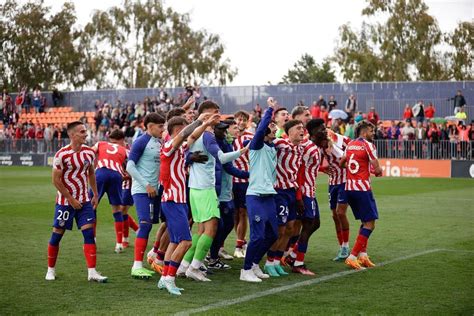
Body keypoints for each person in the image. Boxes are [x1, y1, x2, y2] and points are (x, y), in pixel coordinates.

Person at [177, 100, 245, 281]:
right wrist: (244, 150)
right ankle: (194, 267)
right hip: (205, 189)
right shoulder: (207, 136)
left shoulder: (194, 135)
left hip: (194, 188)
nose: (218, 116)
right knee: (211, 228)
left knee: (200, 231)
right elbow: (222, 158)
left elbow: (185, 146)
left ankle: (183, 266)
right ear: (206, 116)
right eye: (215, 113)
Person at [157, 113, 219, 295]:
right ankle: (170, 278)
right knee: (185, 241)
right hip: (172, 201)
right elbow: (185, 134)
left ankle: (164, 278)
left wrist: (205, 123)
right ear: (177, 131)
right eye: (184, 126)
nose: (187, 129)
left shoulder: (178, 148)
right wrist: (200, 120)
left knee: (175, 241)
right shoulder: (169, 146)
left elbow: (191, 137)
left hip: (177, 201)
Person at [45, 121, 107, 282]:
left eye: (85, 131)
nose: (86, 134)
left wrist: (95, 193)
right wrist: (70, 199)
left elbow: (91, 173)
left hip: (85, 201)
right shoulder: (61, 154)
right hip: (65, 202)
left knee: (88, 233)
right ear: (72, 135)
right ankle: (50, 270)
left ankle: (92, 272)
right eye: (82, 132)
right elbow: (55, 181)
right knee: (57, 235)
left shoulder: (89, 153)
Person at [240, 97, 278, 282]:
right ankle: (245, 270)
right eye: (272, 126)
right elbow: (261, 129)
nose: (275, 128)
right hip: (255, 195)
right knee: (257, 235)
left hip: (269, 196)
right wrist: (269, 110)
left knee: (273, 234)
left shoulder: (272, 148)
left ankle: (254, 263)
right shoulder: (256, 145)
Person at [126, 112, 165, 279]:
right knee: (145, 225)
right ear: (150, 127)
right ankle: (136, 266)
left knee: (151, 225)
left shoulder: (159, 142)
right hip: (143, 191)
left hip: (155, 191)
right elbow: (130, 166)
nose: (163, 129)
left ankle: (150, 258)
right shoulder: (141, 141)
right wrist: (147, 185)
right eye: (160, 126)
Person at [264, 119, 304, 277]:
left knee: (290, 228)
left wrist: (299, 195)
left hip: (291, 192)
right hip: (279, 191)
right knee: (280, 229)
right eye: (298, 128)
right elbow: (263, 144)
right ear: (289, 131)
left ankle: (277, 260)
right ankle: (269, 262)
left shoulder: (300, 148)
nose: (302, 130)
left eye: (302, 128)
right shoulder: (280, 143)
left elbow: (298, 173)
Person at [340, 120, 382, 270]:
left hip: (349, 189)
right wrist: (377, 171)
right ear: (364, 132)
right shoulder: (368, 145)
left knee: (365, 222)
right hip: (363, 189)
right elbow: (377, 169)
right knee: (370, 224)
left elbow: (342, 163)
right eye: (371, 131)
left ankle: (363, 255)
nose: (373, 133)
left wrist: (356, 171)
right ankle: (352, 256)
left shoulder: (350, 144)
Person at [287, 119, 326, 275]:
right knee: (309, 224)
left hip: (310, 190)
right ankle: (297, 261)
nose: (324, 131)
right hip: (304, 191)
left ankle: (293, 255)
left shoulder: (315, 147)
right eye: (322, 129)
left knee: (315, 223)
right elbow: (298, 170)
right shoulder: (307, 147)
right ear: (313, 131)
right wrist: (299, 196)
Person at [209, 119, 249, 268]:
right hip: (214, 191)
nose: (226, 132)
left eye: (227, 129)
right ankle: (206, 257)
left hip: (224, 191)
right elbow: (227, 166)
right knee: (215, 226)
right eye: (224, 129)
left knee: (227, 223)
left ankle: (213, 254)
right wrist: (248, 174)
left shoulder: (225, 143)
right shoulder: (214, 144)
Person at [90, 130, 128, 253]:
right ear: (121, 140)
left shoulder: (100, 144)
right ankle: (119, 244)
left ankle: (92, 241)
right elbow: (134, 162)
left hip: (100, 173)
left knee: (92, 206)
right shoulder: (125, 149)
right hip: (116, 175)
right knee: (117, 209)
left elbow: (89, 153)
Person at [321, 129, 352, 261]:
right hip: (332, 183)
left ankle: (346, 246)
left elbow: (352, 158)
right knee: (334, 215)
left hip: (344, 182)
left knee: (340, 213)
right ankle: (341, 246)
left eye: (327, 147)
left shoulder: (340, 147)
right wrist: (322, 168)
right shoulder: (318, 149)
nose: (326, 150)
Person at [232, 110, 254, 259]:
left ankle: (239, 245)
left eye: (243, 120)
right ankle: (242, 241)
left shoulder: (251, 138)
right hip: (230, 181)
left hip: (245, 181)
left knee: (242, 212)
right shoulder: (228, 137)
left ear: (247, 122)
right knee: (233, 214)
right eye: (238, 119)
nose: (240, 122)